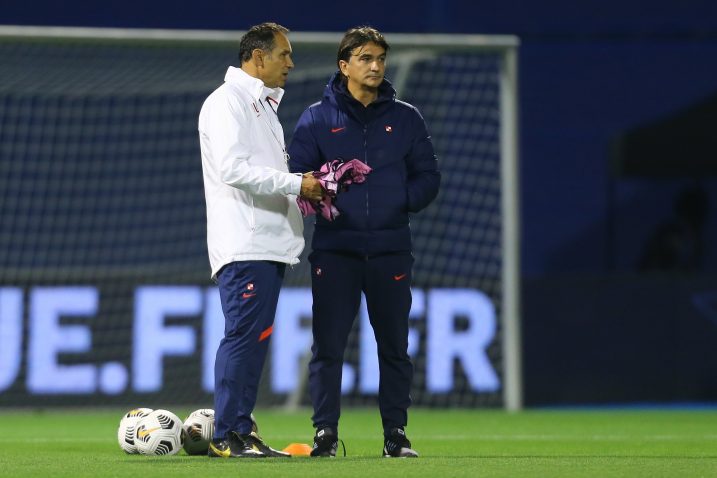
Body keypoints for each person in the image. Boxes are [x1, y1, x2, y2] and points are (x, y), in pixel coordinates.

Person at [288, 26, 440, 458]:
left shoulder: (407, 118)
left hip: (391, 249)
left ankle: (396, 434)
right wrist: (321, 191)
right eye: (366, 58)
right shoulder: (317, 118)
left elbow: (429, 177)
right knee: (328, 347)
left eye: (380, 59)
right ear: (344, 65)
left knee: (394, 346)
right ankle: (325, 435)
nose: (376, 66)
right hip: (335, 250)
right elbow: (296, 178)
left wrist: (396, 202)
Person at [198, 22, 323, 458]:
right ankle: (227, 435)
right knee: (244, 336)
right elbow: (232, 169)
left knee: (252, 338)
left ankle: (240, 430)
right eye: (283, 54)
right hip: (245, 242)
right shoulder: (227, 102)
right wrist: (295, 185)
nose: (290, 62)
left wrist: (303, 193)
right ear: (257, 57)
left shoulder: (260, 107)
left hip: (266, 243)